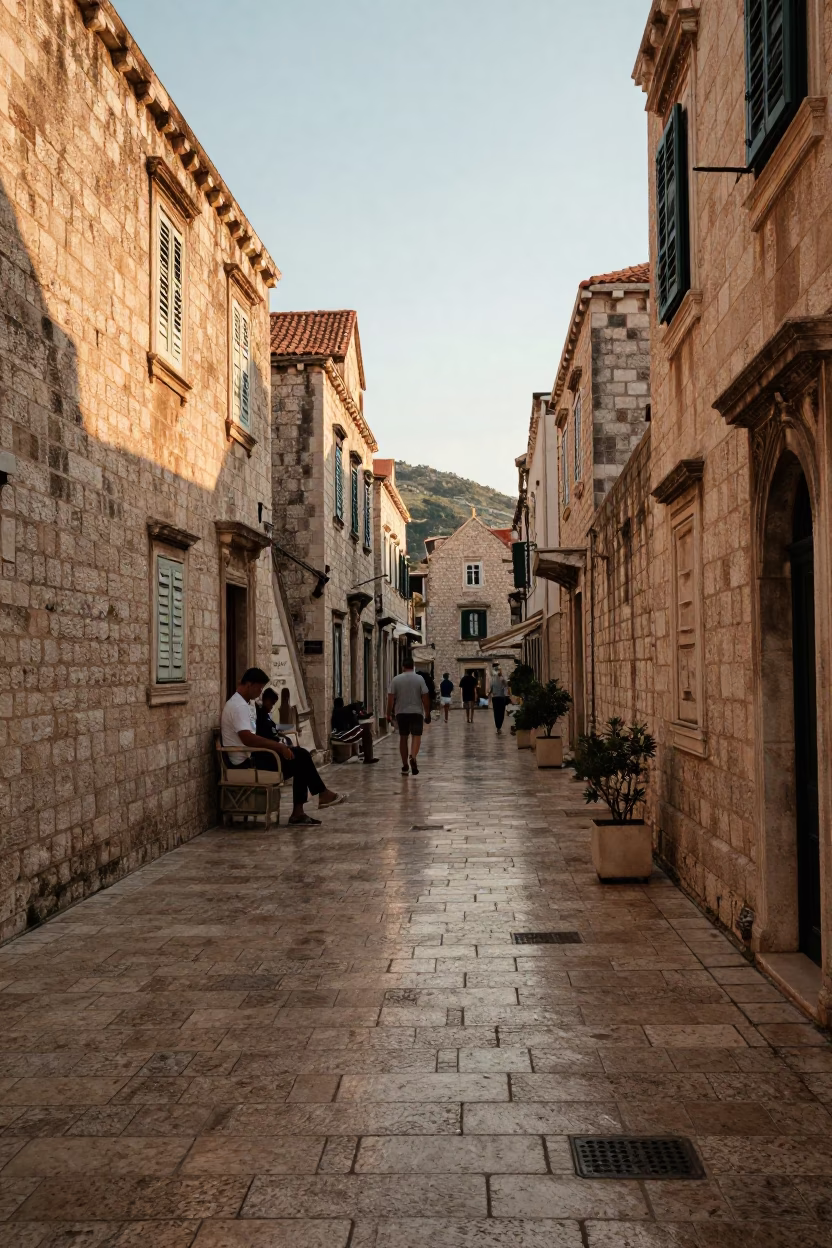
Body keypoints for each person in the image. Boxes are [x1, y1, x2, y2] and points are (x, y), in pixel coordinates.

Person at [221, 668, 345, 826]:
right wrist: (278, 747)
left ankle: (303, 809)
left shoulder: (243, 704)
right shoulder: (238, 706)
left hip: (253, 757)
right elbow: (247, 738)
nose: (260, 693)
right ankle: (319, 796)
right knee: (301, 757)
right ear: (249, 684)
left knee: (300, 757)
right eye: (259, 688)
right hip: (246, 763)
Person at [386, 654, 431, 775]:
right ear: (413, 666)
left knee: (403, 737)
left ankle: (405, 765)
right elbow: (425, 697)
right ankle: (413, 756)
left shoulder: (396, 679)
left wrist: (388, 713)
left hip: (401, 712)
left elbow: (390, 698)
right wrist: (427, 713)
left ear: (402, 667)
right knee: (416, 736)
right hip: (416, 712)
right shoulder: (419, 679)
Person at [331, 698, 378, 764]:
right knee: (365, 730)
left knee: (365, 730)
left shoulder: (338, 711)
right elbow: (355, 710)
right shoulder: (341, 711)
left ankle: (367, 756)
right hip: (341, 735)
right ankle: (368, 757)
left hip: (341, 734)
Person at [490, 665, 509, 734]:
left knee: (496, 712)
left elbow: (490, 688)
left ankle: (498, 726)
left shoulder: (492, 679)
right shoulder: (502, 678)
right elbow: (506, 685)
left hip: (495, 698)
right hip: (501, 697)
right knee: (501, 713)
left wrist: (489, 694)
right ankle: (499, 726)